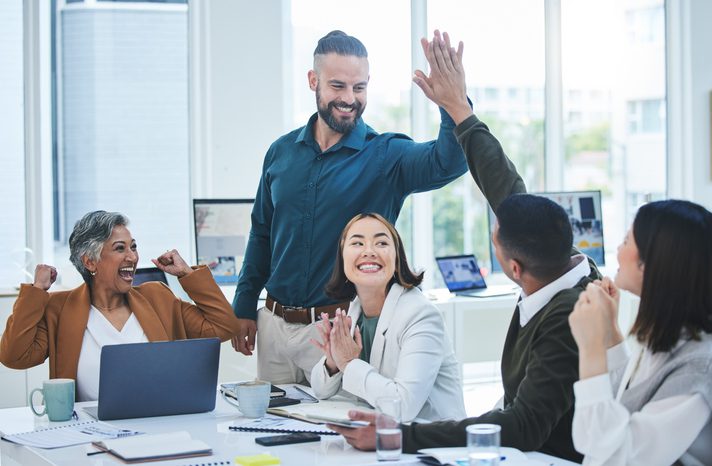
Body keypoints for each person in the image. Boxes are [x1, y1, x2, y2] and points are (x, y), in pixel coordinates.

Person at [326, 33, 596, 462]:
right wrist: (458, 108)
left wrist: (400, 435)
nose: (367, 251)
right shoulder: (561, 264)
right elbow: (507, 188)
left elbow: (524, 426)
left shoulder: (568, 316)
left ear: (512, 267)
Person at [231, 29, 469, 384]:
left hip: (338, 331)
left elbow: (447, 163)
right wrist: (244, 302)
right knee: (268, 432)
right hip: (273, 328)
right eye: (338, 86)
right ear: (314, 81)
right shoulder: (280, 152)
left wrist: (453, 104)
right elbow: (262, 232)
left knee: (330, 436)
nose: (349, 99)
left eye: (359, 88)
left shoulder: (386, 155)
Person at [0, 211, 240, 401]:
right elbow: (14, 357)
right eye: (120, 248)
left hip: (160, 425)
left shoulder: (158, 297)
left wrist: (188, 274)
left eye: (133, 246)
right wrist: (36, 292)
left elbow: (224, 327)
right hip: (89, 435)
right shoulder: (59, 308)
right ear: (90, 261)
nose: (132, 257)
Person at [568, 200, 712, 465]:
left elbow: (613, 453)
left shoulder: (702, 366)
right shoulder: (671, 331)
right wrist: (609, 333)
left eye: (626, 241)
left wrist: (590, 349)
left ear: (649, 265)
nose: (618, 248)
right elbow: (622, 408)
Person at [309, 213, 465, 423]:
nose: (369, 251)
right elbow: (320, 390)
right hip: (378, 436)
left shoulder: (421, 315)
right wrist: (333, 362)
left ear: (397, 258)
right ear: (342, 258)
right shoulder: (354, 310)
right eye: (357, 243)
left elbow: (402, 406)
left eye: (381, 243)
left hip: (430, 443)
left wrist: (347, 362)